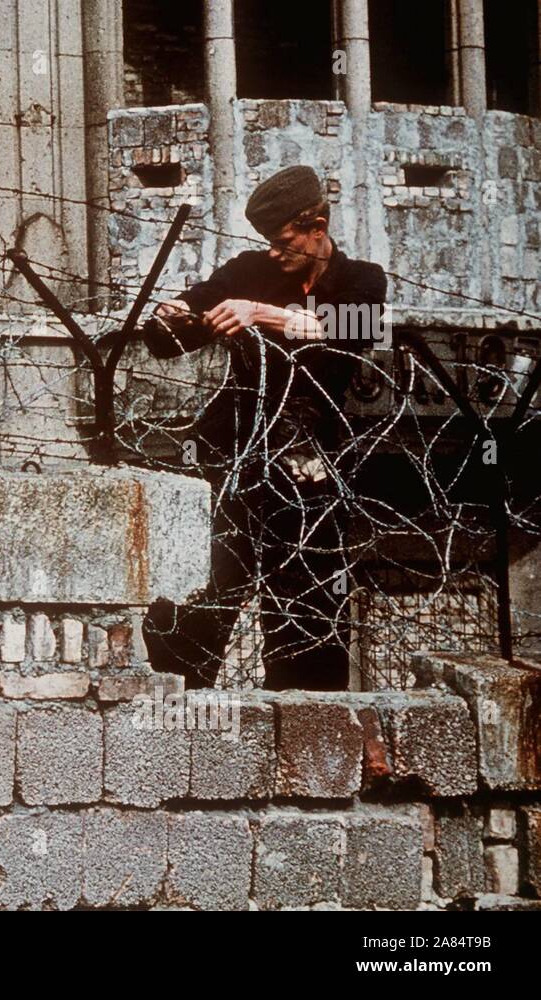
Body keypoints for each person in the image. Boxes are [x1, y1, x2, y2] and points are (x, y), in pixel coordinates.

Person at [140, 164, 387, 691]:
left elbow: (352, 327)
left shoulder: (362, 280)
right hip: (233, 459)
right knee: (203, 600)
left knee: (305, 614)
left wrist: (260, 312)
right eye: (268, 242)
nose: (274, 252)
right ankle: (175, 722)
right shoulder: (250, 269)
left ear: (317, 226)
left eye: (283, 241)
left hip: (308, 465)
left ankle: (307, 734)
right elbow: (176, 330)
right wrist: (173, 315)